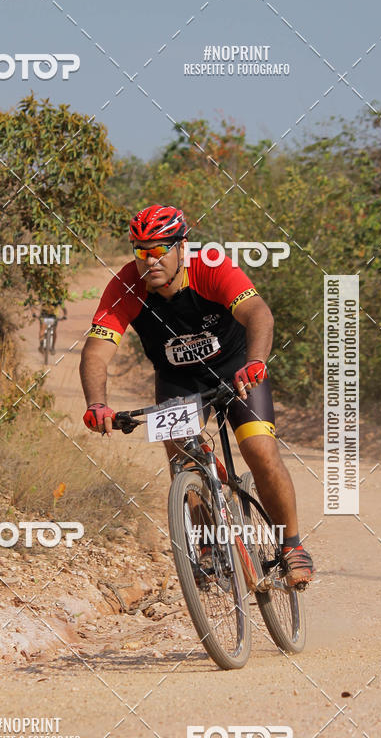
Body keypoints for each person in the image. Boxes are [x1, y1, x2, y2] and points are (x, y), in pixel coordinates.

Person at [79, 204, 313, 586]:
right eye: (141, 251)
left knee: (259, 450)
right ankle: (208, 545)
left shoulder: (211, 265)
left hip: (236, 368)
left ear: (182, 247)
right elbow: (96, 351)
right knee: (183, 460)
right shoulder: (126, 285)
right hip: (178, 379)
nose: (149, 260)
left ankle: (291, 545)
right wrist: (96, 403)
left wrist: (254, 362)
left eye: (158, 250)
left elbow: (259, 314)